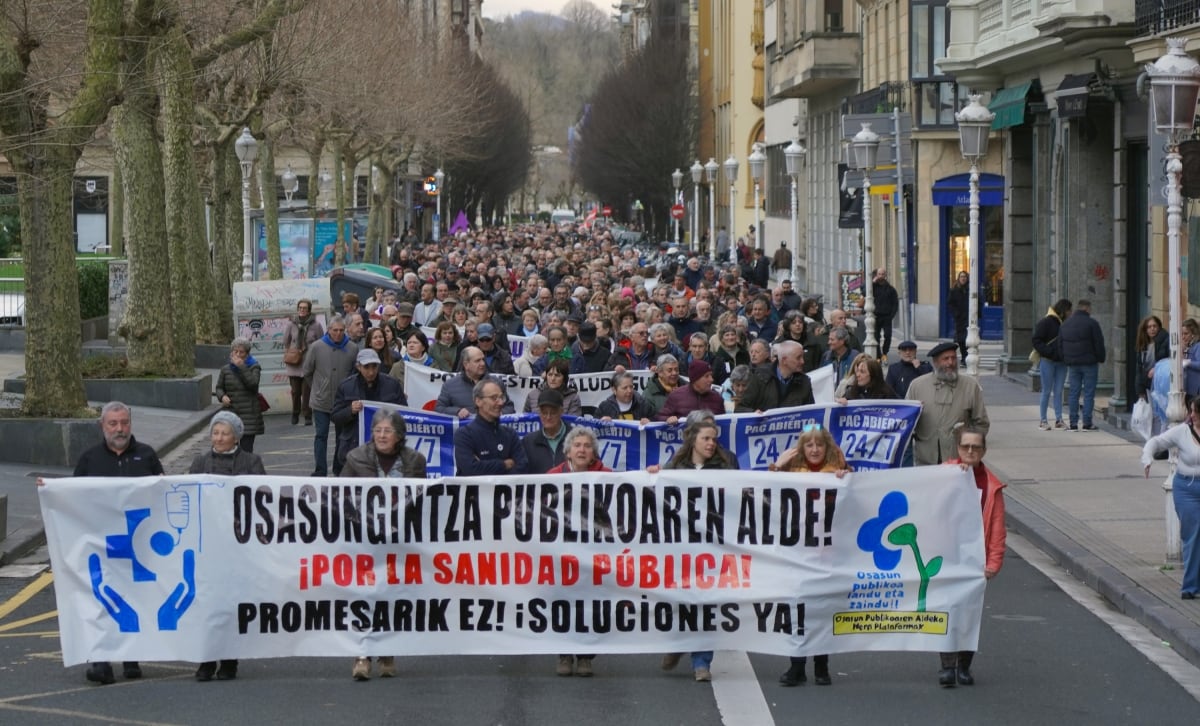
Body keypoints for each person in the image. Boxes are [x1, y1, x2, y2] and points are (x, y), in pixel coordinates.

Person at [73, 401, 165, 685]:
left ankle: (131, 658)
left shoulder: (147, 455)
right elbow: (72, 496)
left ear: (130, 424)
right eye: (113, 424)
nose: (119, 429)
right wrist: (49, 490)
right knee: (102, 601)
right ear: (103, 426)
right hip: (102, 544)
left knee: (135, 601)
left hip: (138, 547)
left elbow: (162, 492)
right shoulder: (89, 459)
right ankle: (101, 662)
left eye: (124, 422)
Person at [343, 410, 427, 680]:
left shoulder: (415, 461)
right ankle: (362, 656)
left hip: (399, 542)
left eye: (387, 431)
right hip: (365, 540)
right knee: (364, 596)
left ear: (399, 436)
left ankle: (387, 653)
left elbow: (424, 500)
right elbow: (340, 495)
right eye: (377, 430)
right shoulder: (355, 458)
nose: (381, 435)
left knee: (391, 596)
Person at [651, 418, 737, 682]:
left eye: (714, 439)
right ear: (693, 440)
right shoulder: (675, 465)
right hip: (681, 546)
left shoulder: (726, 464)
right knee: (679, 599)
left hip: (713, 545)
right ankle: (678, 643)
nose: (711, 444)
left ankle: (702, 661)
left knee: (707, 602)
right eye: (706, 439)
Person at [767, 425, 849, 687]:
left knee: (822, 608)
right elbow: (762, 495)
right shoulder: (790, 474)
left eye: (819, 445)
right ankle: (797, 664)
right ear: (801, 449)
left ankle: (822, 665)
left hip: (827, 554)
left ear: (828, 448)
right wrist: (777, 468)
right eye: (809, 445)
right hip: (797, 554)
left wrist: (845, 477)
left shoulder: (840, 474)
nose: (814, 450)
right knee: (795, 608)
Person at [189, 411, 265, 682]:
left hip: (237, 545)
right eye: (215, 433)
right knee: (207, 604)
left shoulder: (251, 461)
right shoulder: (200, 462)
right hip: (208, 545)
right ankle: (206, 660)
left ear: (236, 435)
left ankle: (229, 660)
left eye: (224, 433)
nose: (219, 438)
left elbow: (262, 500)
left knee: (231, 603)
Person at [939, 425, 1006, 687]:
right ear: (958, 448)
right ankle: (946, 666)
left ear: (983, 450)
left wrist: (993, 563)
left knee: (968, 613)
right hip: (947, 557)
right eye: (965, 446)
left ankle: (964, 665)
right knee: (947, 610)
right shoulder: (944, 474)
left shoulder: (991, 485)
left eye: (975, 447)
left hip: (975, 559)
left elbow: (998, 528)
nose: (970, 451)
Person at [545, 426, 612, 677]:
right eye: (577, 446)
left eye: (587, 446)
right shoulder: (552, 475)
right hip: (561, 550)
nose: (582, 450)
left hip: (593, 550)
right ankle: (564, 652)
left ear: (593, 452)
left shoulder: (607, 476)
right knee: (562, 598)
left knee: (590, 602)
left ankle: (585, 656)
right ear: (568, 452)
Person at [906, 342, 990, 465]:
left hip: (959, 462)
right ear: (935, 362)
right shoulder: (917, 386)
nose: (950, 363)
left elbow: (981, 423)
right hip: (925, 459)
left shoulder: (970, 386)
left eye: (953, 358)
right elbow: (906, 423)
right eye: (945, 359)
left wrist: (971, 450)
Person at [331, 348, 406, 474]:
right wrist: (350, 410)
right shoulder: (346, 386)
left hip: (386, 447)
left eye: (374, 367)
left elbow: (404, 414)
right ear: (358, 367)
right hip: (354, 446)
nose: (371, 372)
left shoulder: (392, 385)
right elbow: (335, 416)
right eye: (366, 367)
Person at [303, 315, 358, 477]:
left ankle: (338, 468)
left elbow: (355, 373)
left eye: (341, 330)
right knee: (321, 435)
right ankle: (320, 470)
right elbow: (307, 371)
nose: (338, 333)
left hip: (343, 402)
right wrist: (317, 388)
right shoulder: (316, 347)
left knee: (342, 438)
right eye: (335, 330)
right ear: (328, 330)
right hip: (321, 400)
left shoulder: (353, 348)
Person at [453, 379, 528, 475]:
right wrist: (504, 464)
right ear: (478, 401)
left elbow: (523, 467)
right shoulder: (464, 435)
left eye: (501, 397)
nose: (500, 403)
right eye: (494, 398)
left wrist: (483, 465)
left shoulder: (510, 434)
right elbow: (471, 469)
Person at [1059, 299, 1106, 431]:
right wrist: (1101, 358)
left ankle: (1073, 423)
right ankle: (1087, 423)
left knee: (1074, 393)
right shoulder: (1092, 324)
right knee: (1089, 393)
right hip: (1089, 363)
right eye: (1090, 309)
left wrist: (1066, 359)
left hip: (1073, 364)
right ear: (1086, 309)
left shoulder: (1065, 324)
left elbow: (1060, 345)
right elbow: (1099, 343)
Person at [214, 337, 265, 452]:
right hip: (231, 413)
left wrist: (241, 366)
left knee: (246, 451)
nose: (237, 354)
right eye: (235, 351)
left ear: (247, 354)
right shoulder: (225, 369)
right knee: (229, 449)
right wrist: (222, 396)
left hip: (249, 415)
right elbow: (219, 388)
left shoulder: (254, 367)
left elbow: (253, 385)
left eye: (241, 352)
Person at [436, 346, 514, 418]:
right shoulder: (450, 385)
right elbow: (439, 408)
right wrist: (457, 411)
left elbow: (509, 408)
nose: (483, 364)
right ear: (466, 364)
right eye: (477, 361)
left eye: (483, 359)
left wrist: (500, 412)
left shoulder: (496, 383)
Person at [737, 340, 814, 412]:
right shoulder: (760, 377)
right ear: (784, 360)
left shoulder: (804, 382)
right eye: (798, 358)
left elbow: (812, 416)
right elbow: (740, 409)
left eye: (802, 357)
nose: (802, 361)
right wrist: (754, 414)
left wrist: (816, 427)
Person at [1032, 299, 1073, 430]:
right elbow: (1036, 340)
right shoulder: (1046, 322)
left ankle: (1059, 419)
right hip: (1048, 361)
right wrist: (1049, 352)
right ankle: (1043, 420)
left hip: (1061, 362)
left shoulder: (1066, 323)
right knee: (1046, 391)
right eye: (1069, 310)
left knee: (1058, 391)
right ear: (1063, 311)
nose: (1071, 313)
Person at [282, 298, 323, 426]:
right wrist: (294, 350)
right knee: (295, 392)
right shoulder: (291, 324)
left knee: (307, 392)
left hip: (309, 362)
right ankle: (295, 413)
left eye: (305, 308)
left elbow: (321, 342)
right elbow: (285, 341)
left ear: (309, 310)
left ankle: (307, 415)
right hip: (294, 362)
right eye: (300, 308)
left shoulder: (316, 325)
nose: (302, 310)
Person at [522, 388, 574, 474]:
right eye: (544, 413)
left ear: (561, 411)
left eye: (553, 413)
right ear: (539, 413)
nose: (548, 417)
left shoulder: (577, 438)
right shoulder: (528, 442)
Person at [656, 360, 724, 423]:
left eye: (711, 375)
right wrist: (668, 419)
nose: (711, 379)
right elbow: (659, 417)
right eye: (707, 376)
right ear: (695, 379)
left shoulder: (717, 398)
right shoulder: (676, 396)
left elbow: (724, 422)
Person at [1134, 314, 1170, 411]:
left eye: (1155, 326)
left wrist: (1156, 369)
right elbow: (1139, 369)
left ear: (1159, 327)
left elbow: (1169, 360)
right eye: (1149, 327)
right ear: (1145, 329)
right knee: (1150, 412)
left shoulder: (1165, 341)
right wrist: (1140, 390)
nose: (1152, 329)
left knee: (1159, 411)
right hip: (1147, 383)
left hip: (1160, 383)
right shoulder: (1143, 344)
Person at [871, 268, 899, 357]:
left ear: (885, 275)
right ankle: (879, 355)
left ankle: (885, 353)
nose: (881, 276)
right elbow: (864, 292)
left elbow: (895, 303)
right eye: (879, 274)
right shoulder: (872, 287)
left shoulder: (891, 289)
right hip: (875, 316)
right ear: (876, 275)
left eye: (883, 274)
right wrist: (872, 283)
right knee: (876, 337)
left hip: (887, 316)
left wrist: (891, 315)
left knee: (888, 335)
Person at [948, 271, 970, 363]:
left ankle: (967, 357)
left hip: (969, 318)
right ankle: (964, 357)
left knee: (969, 339)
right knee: (961, 339)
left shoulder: (970, 289)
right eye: (961, 276)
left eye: (965, 276)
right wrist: (956, 314)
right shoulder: (954, 290)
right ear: (958, 278)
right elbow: (950, 303)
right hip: (960, 319)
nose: (963, 278)